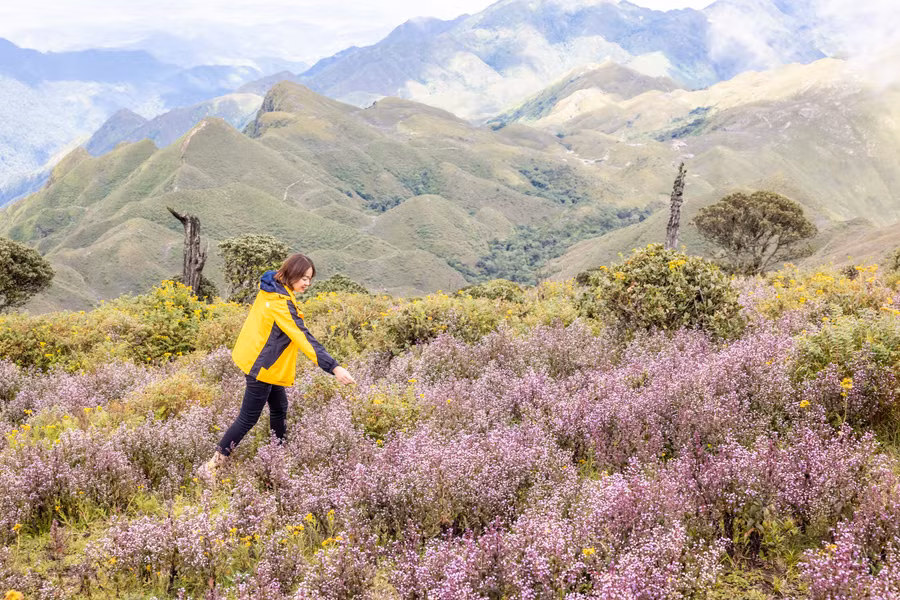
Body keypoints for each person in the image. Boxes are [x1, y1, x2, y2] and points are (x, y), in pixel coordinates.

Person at [198, 253, 356, 481]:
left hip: (262, 361)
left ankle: (277, 457)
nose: (307, 283)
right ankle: (211, 467)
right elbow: (304, 338)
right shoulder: (280, 303)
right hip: (262, 367)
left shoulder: (272, 287)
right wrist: (335, 367)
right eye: (303, 277)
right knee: (247, 418)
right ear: (291, 273)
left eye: (310, 279)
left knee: (280, 407)